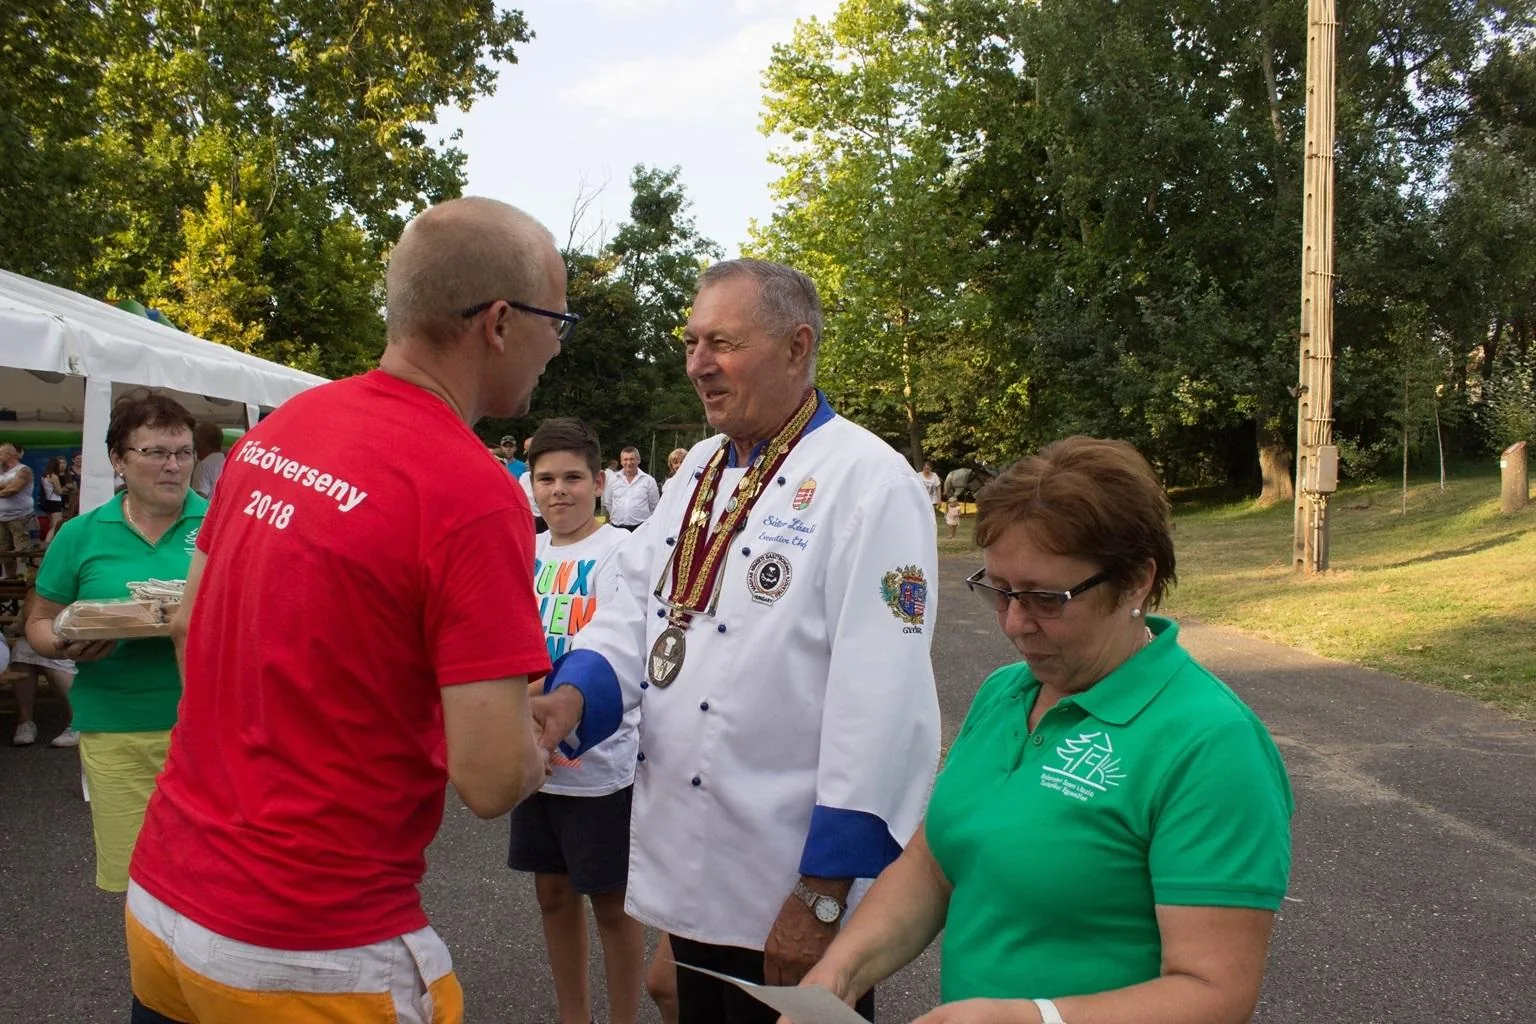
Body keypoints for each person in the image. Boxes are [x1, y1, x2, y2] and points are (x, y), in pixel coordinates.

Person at [124, 197, 621, 1024]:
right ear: (498, 322)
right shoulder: (470, 490)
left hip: (166, 894)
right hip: (308, 949)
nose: (556, 347)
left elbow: (191, 625)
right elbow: (493, 778)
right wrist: (533, 737)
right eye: (556, 321)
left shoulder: (280, 432)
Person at [547, 258, 942, 1024]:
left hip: (792, 878)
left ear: (797, 347)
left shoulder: (869, 480)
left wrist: (825, 894)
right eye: (692, 342)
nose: (698, 364)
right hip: (697, 869)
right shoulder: (699, 468)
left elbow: (882, 698)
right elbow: (638, 606)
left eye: (721, 343)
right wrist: (571, 698)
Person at [789, 437, 1294, 1024]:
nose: (1013, 622)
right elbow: (935, 863)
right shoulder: (1007, 693)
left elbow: (1214, 993)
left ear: (1135, 581)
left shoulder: (1210, 745)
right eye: (999, 590)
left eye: (1045, 599)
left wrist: (1031, 1018)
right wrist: (837, 974)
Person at [24, 393, 206, 887]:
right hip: (117, 728)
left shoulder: (223, 526)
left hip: (213, 731)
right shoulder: (81, 534)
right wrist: (63, 642)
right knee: (141, 882)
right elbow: (39, 622)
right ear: (118, 460)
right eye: (155, 453)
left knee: (216, 881)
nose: (173, 467)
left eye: (183, 452)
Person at [510, 416, 646, 1024]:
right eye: (545, 479)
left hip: (603, 761)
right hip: (529, 754)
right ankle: (574, 1016)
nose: (558, 490)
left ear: (599, 483)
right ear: (531, 486)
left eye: (572, 477)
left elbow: (621, 649)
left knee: (613, 905)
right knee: (552, 894)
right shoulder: (522, 551)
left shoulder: (624, 550)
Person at [10, 590, 80, 747]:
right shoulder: (36, 591)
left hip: (74, 639)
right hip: (47, 638)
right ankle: (25, 722)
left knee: (52, 657)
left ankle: (78, 722)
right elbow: (30, 621)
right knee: (21, 649)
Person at [601, 447, 660, 531]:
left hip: (641, 528)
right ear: (621, 461)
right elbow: (608, 501)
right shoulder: (613, 480)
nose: (628, 463)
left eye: (632, 459)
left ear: (638, 460)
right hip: (617, 527)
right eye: (625, 459)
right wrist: (617, 515)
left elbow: (654, 505)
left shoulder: (649, 481)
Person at [0, 442, 36, 577]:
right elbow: (8, 488)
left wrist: (6, 487)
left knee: (24, 551)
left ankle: (30, 579)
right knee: (5, 553)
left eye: (0, 454)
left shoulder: (23, 470)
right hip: (2, 518)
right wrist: (5, 485)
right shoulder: (2, 472)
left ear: (9, 455)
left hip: (20, 517)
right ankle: (10, 580)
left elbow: (14, 489)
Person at [188, 422, 225, 500]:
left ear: (202, 442)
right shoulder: (228, 462)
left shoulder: (203, 466)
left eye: (195, 440)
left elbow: (198, 498)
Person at [37, 456, 68, 542]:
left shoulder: (44, 475)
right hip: (55, 502)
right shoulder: (54, 476)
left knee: (51, 525)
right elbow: (59, 491)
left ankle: (48, 542)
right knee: (56, 526)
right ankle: (48, 543)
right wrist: (64, 489)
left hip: (48, 501)